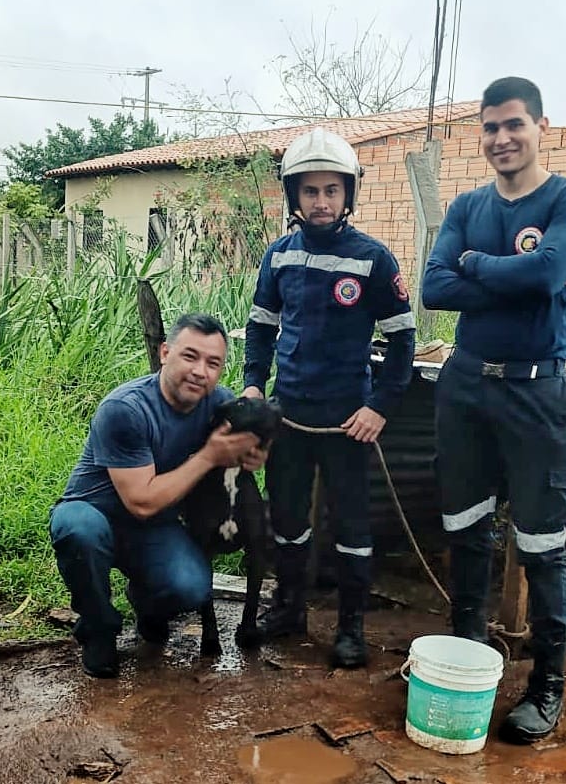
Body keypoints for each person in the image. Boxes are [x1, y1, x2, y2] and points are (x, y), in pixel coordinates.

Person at [420, 77, 566, 743]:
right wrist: (496, 275)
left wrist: (473, 266)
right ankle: (466, 660)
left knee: (541, 546)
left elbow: (547, 273)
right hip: (465, 386)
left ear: (540, 126)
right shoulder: (468, 205)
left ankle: (545, 687)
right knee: (466, 528)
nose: (501, 138)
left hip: (537, 392)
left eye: (513, 125)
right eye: (491, 127)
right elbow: (435, 286)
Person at [242, 127, 416, 669]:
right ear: (294, 195)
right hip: (289, 417)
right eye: (311, 191)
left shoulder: (373, 260)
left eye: (332, 191)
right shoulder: (278, 257)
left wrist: (379, 406)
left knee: (352, 526)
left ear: (348, 195)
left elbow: (403, 340)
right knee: (288, 519)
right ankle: (289, 608)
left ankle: (350, 628)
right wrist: (253, 383)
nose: (321, 202)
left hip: (349, 423)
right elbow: (261, 327)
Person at [49, 313, 268, 678]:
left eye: (213, 363)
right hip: (98, 513)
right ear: (164, 352)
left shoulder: (220, 405)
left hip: (155, 527)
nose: (200, 371)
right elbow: (141, 501)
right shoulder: (125, 410)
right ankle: (98, 628)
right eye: (190, 356)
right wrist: (211, 455)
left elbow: (255, 438)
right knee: (77, 529)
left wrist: (255, 452)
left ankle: (147, 603)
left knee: (191, 586)